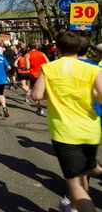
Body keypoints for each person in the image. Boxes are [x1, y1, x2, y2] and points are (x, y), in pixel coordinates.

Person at [32, 31, 102, 212]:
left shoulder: (49, 68)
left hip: (65, 132)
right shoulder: (94, 69)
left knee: (75, 186)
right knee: (83, 175)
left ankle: (75, 206)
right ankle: (74, 208)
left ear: (58, 48)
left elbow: (37, 95)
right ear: (78, 48)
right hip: (90, 130)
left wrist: (53, 92)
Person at [28, 43, 49, 116]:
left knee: (34, 93)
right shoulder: (42, 53)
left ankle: (40, 108)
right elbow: (48, 62)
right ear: (36, 46)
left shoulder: (28, 55)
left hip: (34, 75)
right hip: (43, 74)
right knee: (46, 91)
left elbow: (27, 67)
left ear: (29, 47)